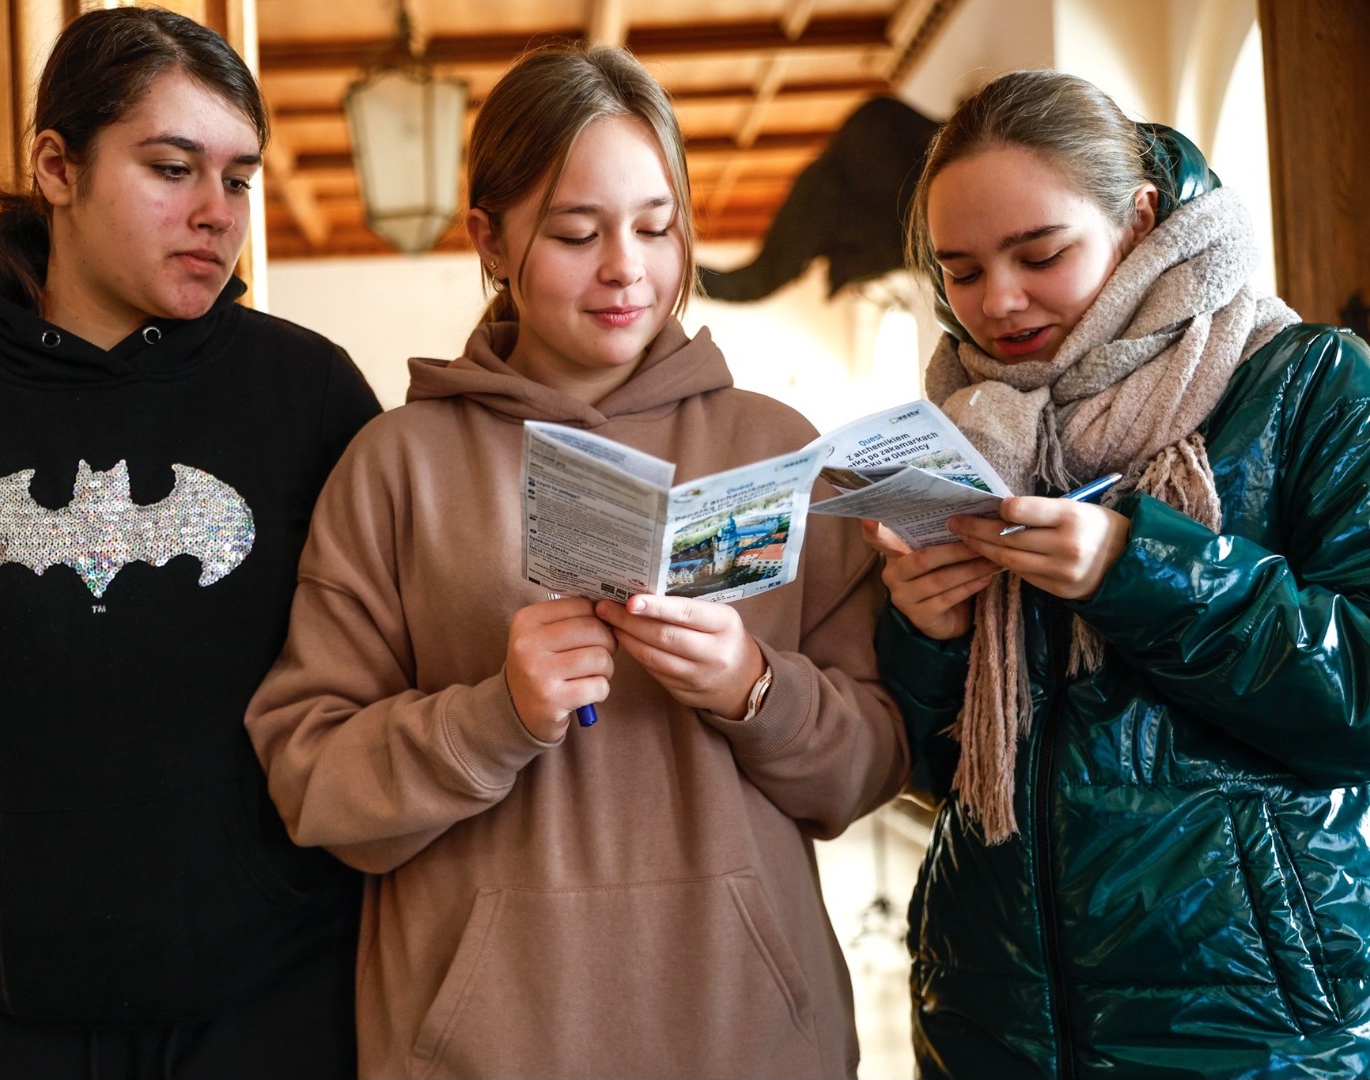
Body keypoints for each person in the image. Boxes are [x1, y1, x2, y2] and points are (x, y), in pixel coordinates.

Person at [244, 44, 908, 1080]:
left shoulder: (778, 449)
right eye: (575, 232)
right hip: (478, 1045)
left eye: (656, 225)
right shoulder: (396, 466)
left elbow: (870, 763)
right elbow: (312, 782)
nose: (626, 270)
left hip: (750, 1037)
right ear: (489, 239)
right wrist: (494, 713)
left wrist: (753, 689)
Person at [0, 8, 380, 1078]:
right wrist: (33, 787)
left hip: (282, 984)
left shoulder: (309, 392)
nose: (217, 214)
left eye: (239, 178)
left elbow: (378, 664)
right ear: (57, 167)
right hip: (21, 1002)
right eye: (173, 168)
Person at [865, 68, 1370, 1078]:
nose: (997, 303)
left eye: (1039, 254)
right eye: (961, 272)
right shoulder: (957, 433)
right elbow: (934, 773)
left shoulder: (1311, 382)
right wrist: (924, 638)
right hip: (989, 1019)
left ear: (1141, 219)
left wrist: (1141, 571)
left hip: (1247, 1028)